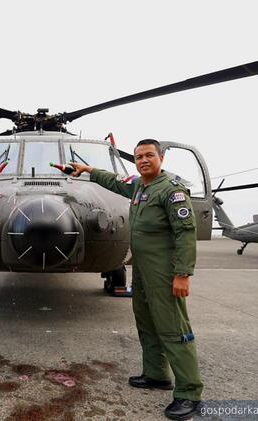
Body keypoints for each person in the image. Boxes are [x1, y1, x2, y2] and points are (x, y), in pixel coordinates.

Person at [70, 139, 203, 420]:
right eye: (139, 156)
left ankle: (189, 393)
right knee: (146, 321)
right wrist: (87, 169)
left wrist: (182, 274)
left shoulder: (172, 191)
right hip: (142, 269)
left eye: (149, 155)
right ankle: (156, 374)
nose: (143, 160)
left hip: (165, 271)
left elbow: (185, 235)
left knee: (173, 328)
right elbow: (115, 181)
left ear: (161, 158)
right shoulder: (140, 186)